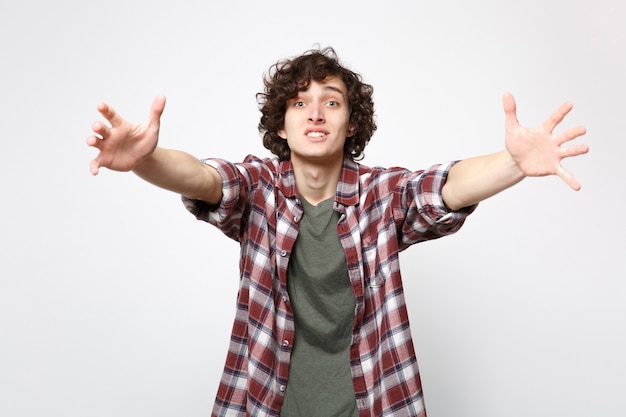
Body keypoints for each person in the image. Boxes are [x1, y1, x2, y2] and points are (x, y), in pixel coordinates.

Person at [87, 47, 588, 417]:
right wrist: (145, 161)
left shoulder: (378, 195)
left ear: (351, 124)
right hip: (267, 402)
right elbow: (203, 178)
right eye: (300, 103)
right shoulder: (259, 189)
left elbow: (444, 187)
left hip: (372, 403)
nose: (316, 112)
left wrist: (514, 163)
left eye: (331, 102)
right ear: (281, 126)